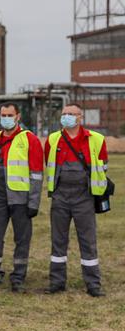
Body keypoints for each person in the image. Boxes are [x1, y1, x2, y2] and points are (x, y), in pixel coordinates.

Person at [0, 103, 44, 293]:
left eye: (10, 114)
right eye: (3, 114)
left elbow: (37, 174)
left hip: (20, 198)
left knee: (22, 240)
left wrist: (33, 203)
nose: (6, 118)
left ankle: (18, 279)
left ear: (18, 116)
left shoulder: (29, 139)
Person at [44, 103, 106, 297]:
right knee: (58, 241)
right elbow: (49, 164)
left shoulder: (96, 139)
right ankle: (56, 282)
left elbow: (103, 166)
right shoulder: (53, 139)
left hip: (84, 197)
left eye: (72, 114)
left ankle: (93, 284)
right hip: (60, 196)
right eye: (64, 114)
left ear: (81, 117)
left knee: (88, 241)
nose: (67, 117)